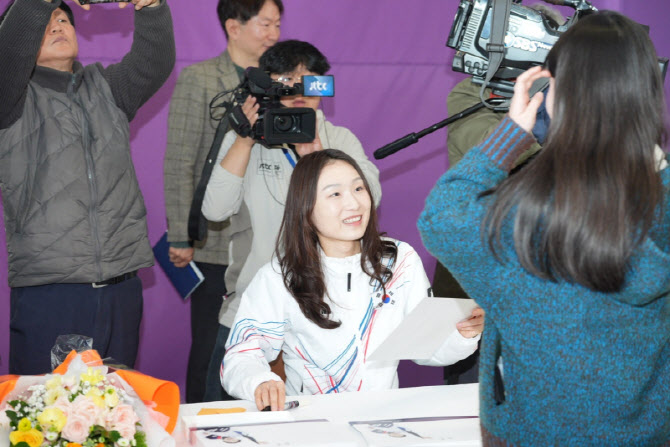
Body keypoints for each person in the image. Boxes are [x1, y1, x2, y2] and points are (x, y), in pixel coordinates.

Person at [419, 11, 670, 446]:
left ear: (554, 93)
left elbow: (442, 217)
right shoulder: (660, 204)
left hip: (529, 432)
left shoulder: (519, 220)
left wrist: (510, 134)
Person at [222, 149, 484, 410]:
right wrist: (259, 381)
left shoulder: (399, 260)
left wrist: (464, 334)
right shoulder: (280, 277)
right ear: (305, 207)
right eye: (335, 194)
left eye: (359, 189)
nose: (354, 203)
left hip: (382, 418)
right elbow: (241, 354)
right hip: (311, 420)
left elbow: (426, 344)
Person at [0, 0, 174, 375]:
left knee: (116, 403)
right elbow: (7, 53)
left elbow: (154, 61)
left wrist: (151, 7)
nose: (57, 26)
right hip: (53, 291)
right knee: (47, 408)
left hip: (121, 288)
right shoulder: (10, 99)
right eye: (45, 22)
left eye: (64, 19)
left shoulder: (107, 88)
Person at [201, 40, 383, 399]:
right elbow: (215, 210)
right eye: (287, 80)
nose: (299, 91)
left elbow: (370, 201)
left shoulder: (339, 139)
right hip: (252, 305)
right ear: (267, 84)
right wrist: (245, 139)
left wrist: (318, 156)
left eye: (310, 81)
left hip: (325, 311)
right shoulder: (246, 141)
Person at [163, 0, 282, 403]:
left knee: (262, 355)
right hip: (215, 241)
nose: (273, 35)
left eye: (277, 25)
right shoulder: (199, 79)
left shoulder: (280, 83)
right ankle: (201, 426)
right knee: (211, 349)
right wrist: (182, 234)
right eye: (265, 24)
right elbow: (180, 160)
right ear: (234, 27)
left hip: (268, 243)